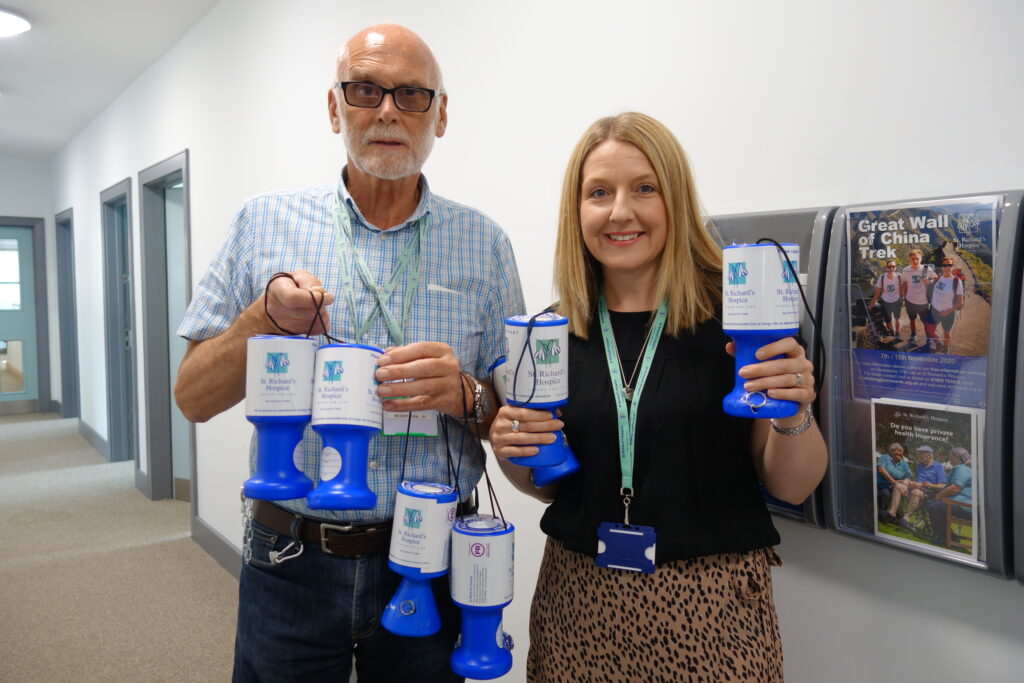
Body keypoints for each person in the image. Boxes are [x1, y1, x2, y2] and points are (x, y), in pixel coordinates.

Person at [173, 24, 524, 682]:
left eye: (411, 94)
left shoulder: (486, 244)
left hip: (435, 556)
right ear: (334, 107)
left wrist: (468, 395)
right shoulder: (263, 223)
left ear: (440, 115)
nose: (388, 109)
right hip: (291, 556)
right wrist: (264, 320)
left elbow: (515, 419)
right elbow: (191, 395)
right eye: (365, 89)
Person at [489, 113, 827, 681]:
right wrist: (511, 451)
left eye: (644, 188)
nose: (621, 211)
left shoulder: (740, 320)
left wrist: (794, 410)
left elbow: (792, 485)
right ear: (577, 212)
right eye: (600, 192)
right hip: (578, 608)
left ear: (676, 199)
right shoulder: (550, 334)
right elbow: (547, 489)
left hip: (715, 615)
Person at [881, 444, 945, 530]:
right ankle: (892, 513)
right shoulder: (920, 465)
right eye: (918, 454)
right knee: (898, 485)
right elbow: (915, 479)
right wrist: (909, 481)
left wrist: (926, 484)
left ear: (929, 455)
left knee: (916, 492)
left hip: (928, 493)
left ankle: (906, 519)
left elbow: (942, 485)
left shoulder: (938, 467)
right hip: (914, 489)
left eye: (921, 454)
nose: (918, 456)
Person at [926, 446, 973, 547]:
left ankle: (943, 538)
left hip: (964, 506)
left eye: (950, 454)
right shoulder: (963, 468)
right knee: (935, 504)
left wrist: (939, 495)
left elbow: (955, 488)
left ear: (955, 456)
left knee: (935, 506)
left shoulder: (961, 468)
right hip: (962, 505)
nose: (948, 457)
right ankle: (950, 536)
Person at [923, 258, 964, 353]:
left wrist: (947, 311)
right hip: (934, 309)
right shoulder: (939, 277)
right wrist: (927, 283)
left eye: (949, 265)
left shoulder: (957, 282)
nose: (946, 267)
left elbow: (960, 303)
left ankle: (945, 348)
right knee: (929, 329)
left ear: (952, 266)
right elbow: (932, 289)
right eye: (944, 265)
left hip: (948, 311)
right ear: (941, 267)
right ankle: (938, 343)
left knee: (946, 332)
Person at [900, 249, 936, 345]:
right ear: (909, 259)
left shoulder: (927, 269)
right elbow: (904, 283)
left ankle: (929, 339)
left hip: (923, 302)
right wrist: (903, 297)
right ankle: (913, 335)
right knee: (912, 319)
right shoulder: (905, 270)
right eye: (913, 259)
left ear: (921, 258)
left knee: (926, 322)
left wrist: (930, 281)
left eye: (917, 259)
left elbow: (935, 278)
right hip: (910, 300)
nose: (915, 261)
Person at [869, 258, 903, 337]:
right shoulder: (882, 277)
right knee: (888, 321)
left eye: (893, 267)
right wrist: (872, 303)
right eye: (889, 267)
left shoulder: (899, 276)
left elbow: (903, 287)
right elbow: (877, 291)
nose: (891, 268)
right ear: (886, 268)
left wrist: (903, 298)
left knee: (897, 319)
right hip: (885, 301)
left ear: (895, 267)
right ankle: (891, 332)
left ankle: (897, 333)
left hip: (896, 301)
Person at [876, 442, 912, 514]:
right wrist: (893, 481)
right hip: (879, 484)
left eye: (901, 452)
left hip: (891, 487)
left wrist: (905, 481)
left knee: (887, 494)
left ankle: (884, 514)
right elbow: (881, 469)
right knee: (882, 494)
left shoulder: (904, 464)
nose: (900, 453)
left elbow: (908, 476)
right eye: (897, 451)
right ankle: (880, 514)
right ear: (891, 451)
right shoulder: (885, 457)